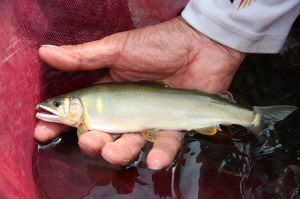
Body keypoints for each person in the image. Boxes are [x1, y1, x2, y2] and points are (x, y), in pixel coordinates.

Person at [34, 1, 300, 170]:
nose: (50, 106)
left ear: (75, 105)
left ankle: (256, 118)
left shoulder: (85, 118)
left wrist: (214, 33)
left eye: (58, 104)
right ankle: (255, 118)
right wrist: (218, 32)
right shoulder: (86, 110)